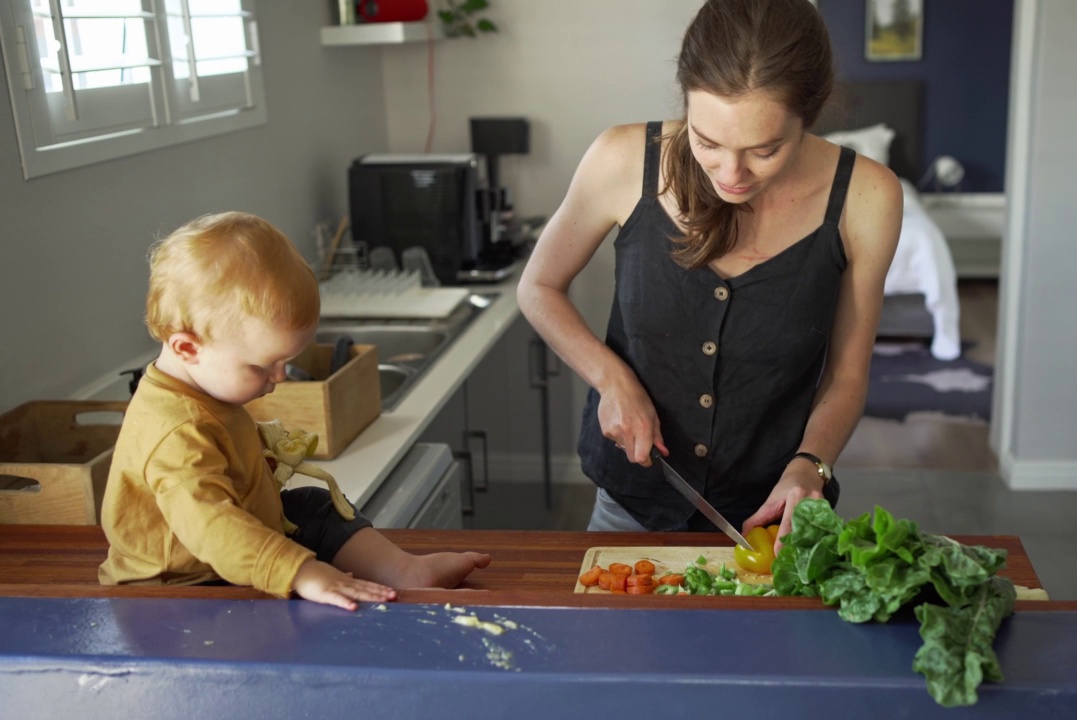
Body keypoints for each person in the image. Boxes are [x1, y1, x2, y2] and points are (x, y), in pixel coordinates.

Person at [517, 0, 903, 551]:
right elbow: (538, 287)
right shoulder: (623, 160)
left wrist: (811, 466)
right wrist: (610, 377)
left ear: (810, 116)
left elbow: (846, 376)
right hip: (630, 507)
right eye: (707, 142)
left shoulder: (867, 197)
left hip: (772, 519)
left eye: (764, 150)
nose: (731, 173)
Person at [98, 212, 490, 610]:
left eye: (284, 362)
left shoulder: (204, 387)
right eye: (262, 366)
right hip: (182, 587)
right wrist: (301, 572)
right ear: (187, 348)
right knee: (290, 580)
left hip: (222, 551)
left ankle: (407, 573)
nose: (280, 377)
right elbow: (213, 528)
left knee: (311, 506)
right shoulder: (175, 431)